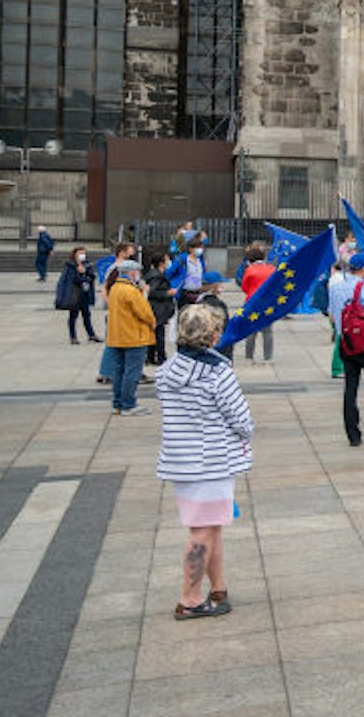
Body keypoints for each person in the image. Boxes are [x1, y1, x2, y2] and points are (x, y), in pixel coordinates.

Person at [155, 302, 254, 620]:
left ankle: (218, 587)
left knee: (211, 527)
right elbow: (242, 420)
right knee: (202, 532)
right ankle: (190, 598)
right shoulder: (217, 373)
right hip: (213, 460)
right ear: (212, 336)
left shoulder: (167, 371)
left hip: (181, 460)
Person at [329, 255, 364, 446]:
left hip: (346, 343)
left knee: (350, 388)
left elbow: (332, 317)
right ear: (363, 269)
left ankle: (353, 435)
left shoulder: (335, 287)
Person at [103, 260, 157, 416]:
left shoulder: (115, 288)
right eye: (138, 272)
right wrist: (152, 321)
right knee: (132, 372)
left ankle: (118, 404)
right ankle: (128, 404)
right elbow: (144, 312)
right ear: (132, 272)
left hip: (118, 336)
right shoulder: (131, 291)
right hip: (134, 336)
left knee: (119, 371)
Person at [238, 242, 277, 364]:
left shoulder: (249, 270)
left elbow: (244, 287)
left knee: (251, 331)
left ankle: (249, 357)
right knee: (268, 331)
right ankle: (268, 358)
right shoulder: (272, 269)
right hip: (267, 303)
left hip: (252, 303)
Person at [56, 246, 99, 344]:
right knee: (73, 315)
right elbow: (72, 279)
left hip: (85, 293)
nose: (82, 255)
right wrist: (82, 275)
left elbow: (92, 276)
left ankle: (91, 334)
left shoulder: (87, 264)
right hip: (74, 294)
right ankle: (73, 336)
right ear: (75, 254)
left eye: (83, 253)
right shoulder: (70, 265)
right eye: (80, 253)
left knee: (86, 315)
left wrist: (86, 273)